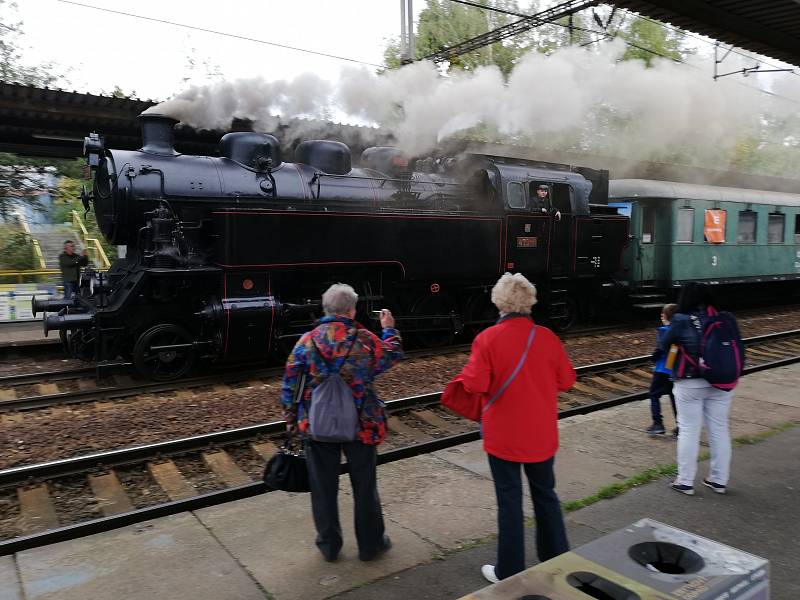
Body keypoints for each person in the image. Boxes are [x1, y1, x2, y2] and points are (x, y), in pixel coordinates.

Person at [451, 272, 575, 583]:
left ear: (499, 303)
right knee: (546, 494)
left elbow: (476, 383)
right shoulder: (547, 337)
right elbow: (567, 380)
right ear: (530, 303)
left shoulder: (487, 339)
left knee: (509, 500)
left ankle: (509, 569)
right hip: (541, 435)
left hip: (503, 435)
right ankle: (555, 556)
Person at [280, 283, 403, 562]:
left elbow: (289, 385)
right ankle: (371, 545)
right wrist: (389, 329)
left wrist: (290, 419)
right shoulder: (365, 339)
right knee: (365, 487)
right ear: (352, 309)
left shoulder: (307, 341)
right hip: (362, 425)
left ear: (325, 309)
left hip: (317, 426)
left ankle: (329, 545)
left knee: (323, 489)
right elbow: (392, 355)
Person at [659, 282, 740, 496]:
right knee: (719, 429)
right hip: (721, 381)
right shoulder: (726, 318)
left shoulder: (680, 320)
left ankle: (685, 481)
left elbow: (664, 345)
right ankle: (718, 480)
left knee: (688, 430)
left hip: (689, 382)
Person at [645, 303, 678, 436]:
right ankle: (680, 425)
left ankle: (657, 423)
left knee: (653, 394)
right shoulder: (680, 331)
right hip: (674, 371)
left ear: (664, 316)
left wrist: (653, 357)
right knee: (674, 397)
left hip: (661, 370)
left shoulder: (664, 331)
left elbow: (660, 349)